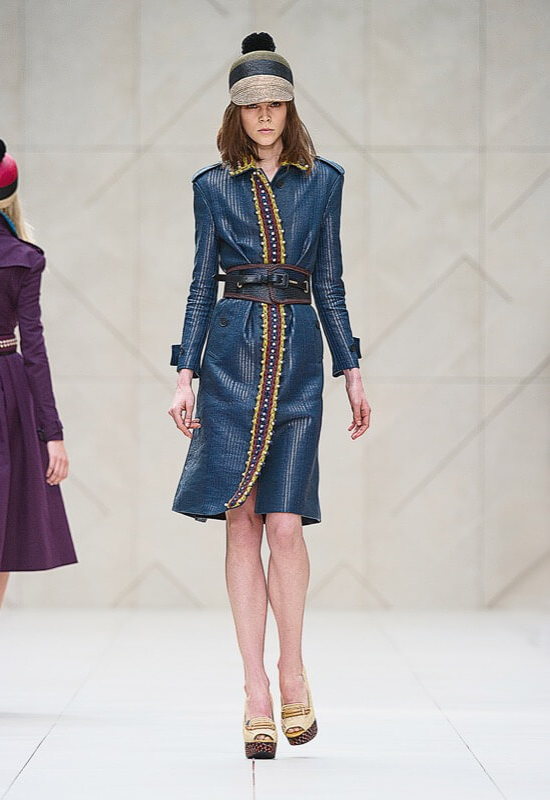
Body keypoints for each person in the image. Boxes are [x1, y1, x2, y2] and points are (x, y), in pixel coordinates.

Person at [168, 32, 370, 759]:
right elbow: (201, 283)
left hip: (299, 364)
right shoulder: (211, 187)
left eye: (274, 102)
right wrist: (185, 371)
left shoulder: (324, 181)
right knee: (240, 523)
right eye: (251, 104)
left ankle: (292, 668)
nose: (263, 114)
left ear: (289, 107)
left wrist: (351, 367)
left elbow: (330, 282)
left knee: (285, 525)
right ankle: (255, 690)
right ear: (236, 110)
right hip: (230, 360)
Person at [0, 138, 77, 716]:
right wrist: (52, 433)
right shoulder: (23, 256)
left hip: (0, 393)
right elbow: (35, 349)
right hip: (3, 393)